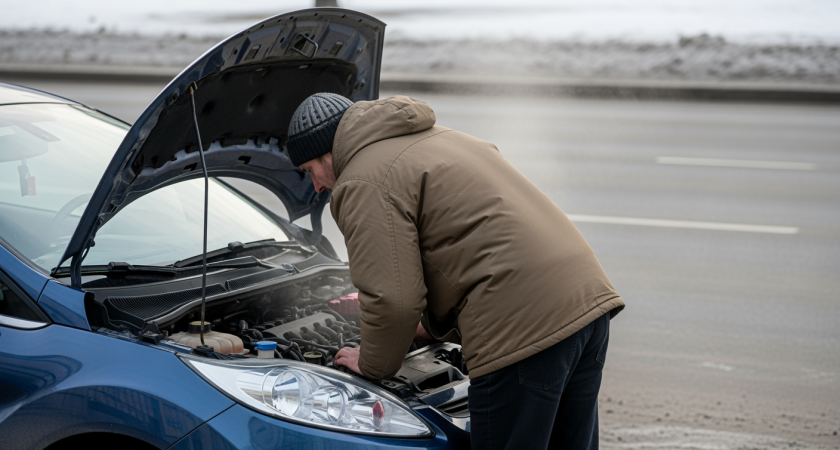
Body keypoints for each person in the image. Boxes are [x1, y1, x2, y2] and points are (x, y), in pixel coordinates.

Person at [285, 92, 625, 449]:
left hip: (522, 328)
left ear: (329, 152)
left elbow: (393, 299)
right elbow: (466, 247)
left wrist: (372, 364)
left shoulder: (362, 179)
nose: (317, 187)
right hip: (585, 304)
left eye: (311, 171)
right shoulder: (442, 138)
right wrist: (427, 327)